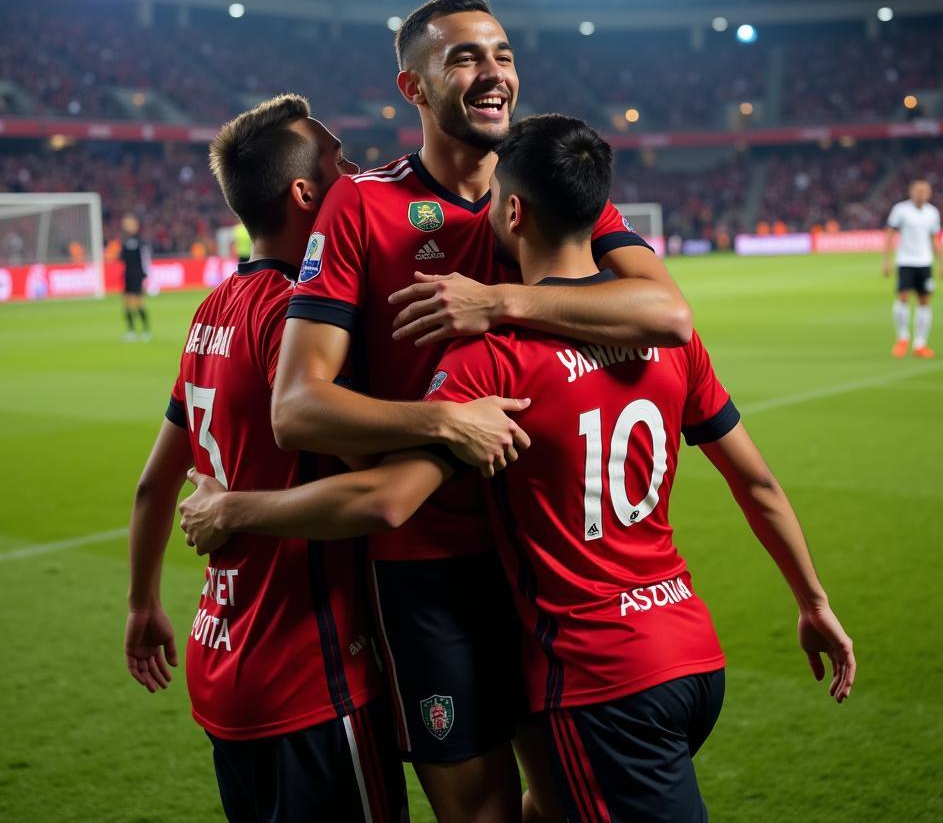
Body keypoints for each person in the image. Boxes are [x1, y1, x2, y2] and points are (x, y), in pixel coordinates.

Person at [181, 114, 856, 823]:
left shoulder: (492, 361)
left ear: (509, 210)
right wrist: (813, 602)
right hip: (687, 651)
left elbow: (385, 499)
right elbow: (756, 481)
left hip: (598, 675)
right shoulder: (669, 343)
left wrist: (234, 509)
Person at [266, 0, 694, 821]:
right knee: (482, 813)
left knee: (571, 803)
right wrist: (439, 421)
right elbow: (297, 406)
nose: (493, 72)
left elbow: (668, 314)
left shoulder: (538, 181)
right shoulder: (365, 205)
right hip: (433, 568)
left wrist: (499, 304)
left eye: (500, 53)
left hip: (547, 566)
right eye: (464, 57)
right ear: (413, 89)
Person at [124, 94, 412, 822]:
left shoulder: (211, 309)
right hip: (308, 669)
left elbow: (154, 486)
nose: (354, 169)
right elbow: (382, 476)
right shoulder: (298, 319)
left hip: (220, 658)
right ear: (306, 192)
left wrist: (142, 604)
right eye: (339, 159)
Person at [883, 179, 943, 358]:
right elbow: (889, 234)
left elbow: (935, 239)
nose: (921, 193)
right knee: (902, 297)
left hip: (925, 262)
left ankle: (920, 343)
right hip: (905, 261)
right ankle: (902, 338)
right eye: (918, 190)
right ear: (911, 192)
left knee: (924, 301)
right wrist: (887, 260)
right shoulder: (901, 210)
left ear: (929, 193)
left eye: (924, 190)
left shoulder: (932, 213)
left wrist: (942, 263)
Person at [120, 213, 151, 341]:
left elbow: (145, 259)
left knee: (138, 303)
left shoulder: (140, 242)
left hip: (137, 275)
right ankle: (131, 331)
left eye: (129, 223)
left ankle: (145, 331)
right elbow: (122, 258)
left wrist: (145, 276)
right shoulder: (124, 241)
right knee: (126, 304)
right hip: (127, 275)